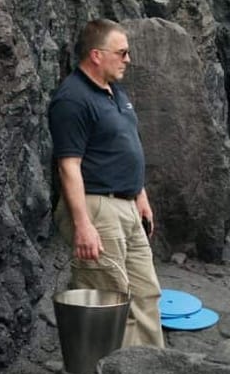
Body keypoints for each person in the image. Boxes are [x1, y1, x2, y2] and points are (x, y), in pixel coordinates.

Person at [49, 19, 165, 349]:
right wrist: (82, 224)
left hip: (126, 204)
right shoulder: (72, 100)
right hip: (97, 207)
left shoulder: (114, 91)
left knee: (145, 292)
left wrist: (139, 194)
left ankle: (148, 372)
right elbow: (68, 166)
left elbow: (122, 145)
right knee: (109, 300)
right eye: (122, 52)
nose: (128, 59)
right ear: (97, 55)